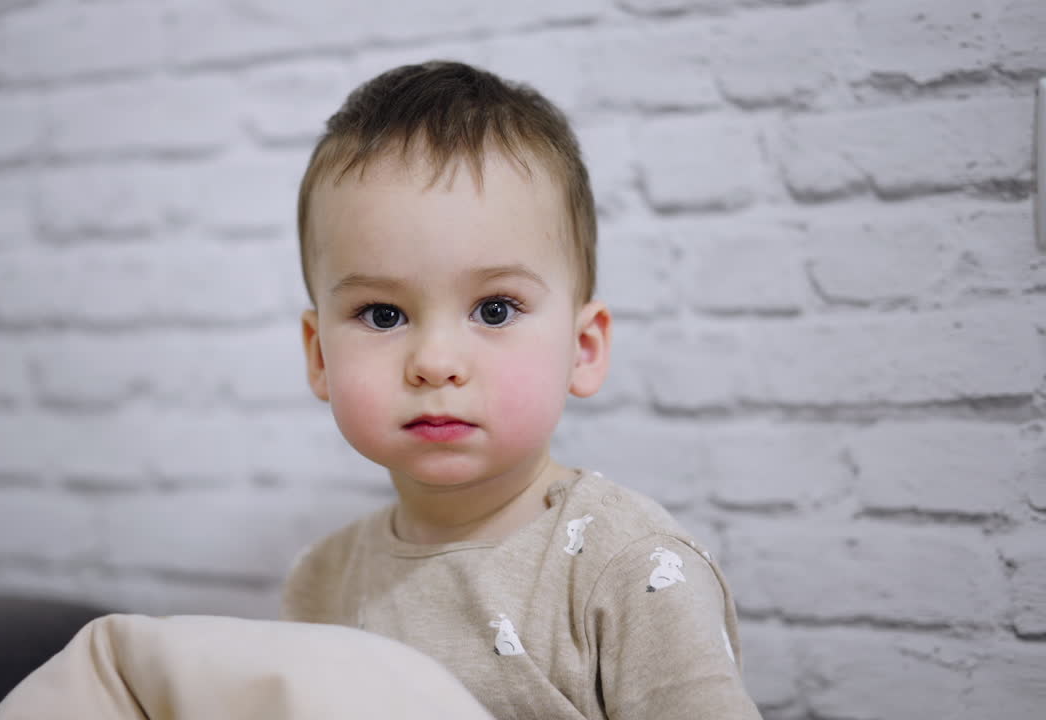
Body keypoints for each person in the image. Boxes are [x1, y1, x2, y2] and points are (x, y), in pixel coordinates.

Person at [283, 61, 762, 719]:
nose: (435, 362)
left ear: (583, 348)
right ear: (319, 357)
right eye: (383, 314)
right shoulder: (321, 581)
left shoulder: (629, 569)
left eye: (496, 309)